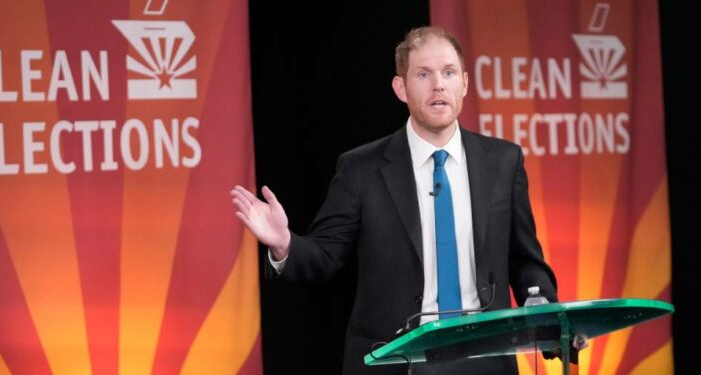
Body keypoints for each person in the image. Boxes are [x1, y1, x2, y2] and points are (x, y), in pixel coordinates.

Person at [232, 26, 580, 374]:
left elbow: (524, 258)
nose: (438, 85)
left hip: (485, 357)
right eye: (423, 74)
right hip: (398, 359)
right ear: (401, 88)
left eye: (448, 73)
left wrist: (541, 302)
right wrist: (284, 244)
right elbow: (325, 255)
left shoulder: (503, 162)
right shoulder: (360, 169)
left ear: (465, 83)